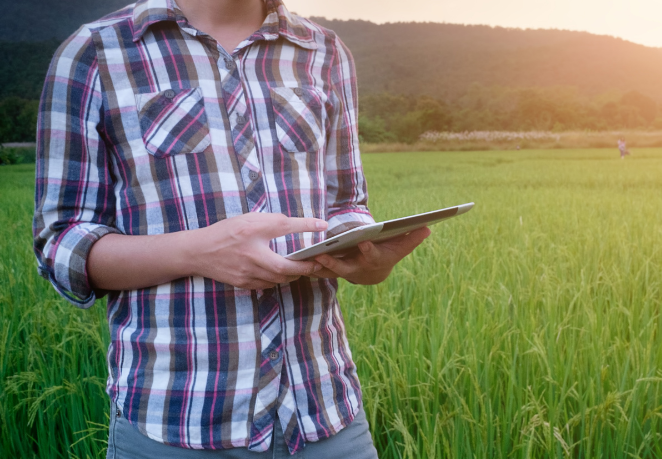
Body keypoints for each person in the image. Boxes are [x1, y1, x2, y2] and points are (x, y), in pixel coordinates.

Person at [32, 0, 430, 457]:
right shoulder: (95, 52)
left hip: (326, 414)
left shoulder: (323, 50)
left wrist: (362, 254)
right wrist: (196, 251)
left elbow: (345, 202)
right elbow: (61, 242)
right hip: (176, 420)